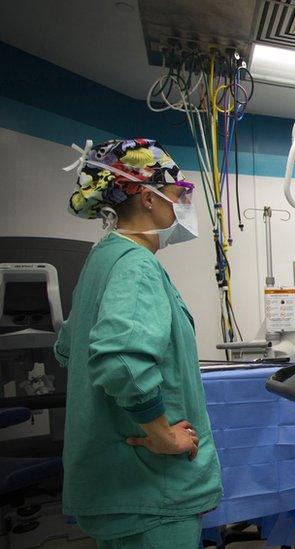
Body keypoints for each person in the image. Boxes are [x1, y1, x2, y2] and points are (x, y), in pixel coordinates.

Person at [54, 138, 221, 548]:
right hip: (149, 486)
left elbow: (67, 349)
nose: (183, 204)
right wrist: (163, 434)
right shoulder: (136, 267)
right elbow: (121, 362)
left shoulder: (103, 259)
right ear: (147, 197)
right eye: (180, 193)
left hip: (117, 483)